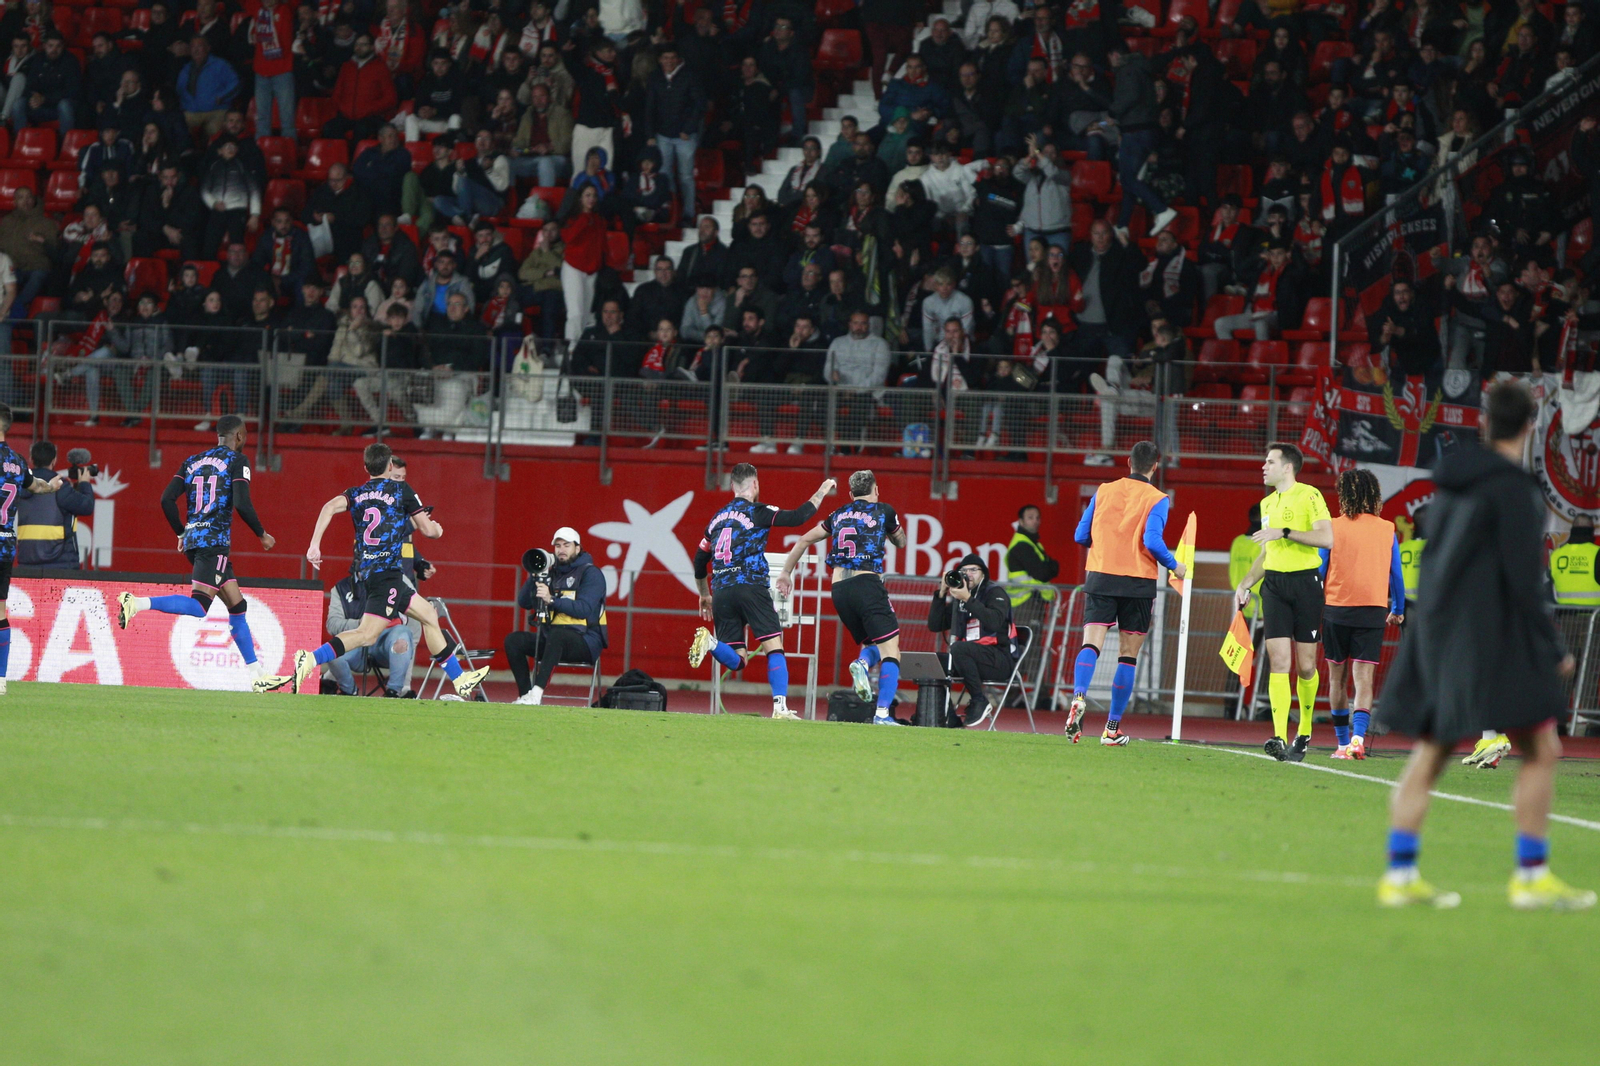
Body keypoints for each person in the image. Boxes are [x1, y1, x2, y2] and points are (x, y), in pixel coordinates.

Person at [1376, 381, 1595, 911]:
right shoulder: (1516, 492)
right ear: (1530, 427)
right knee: (1542, 749)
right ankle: (1531, 876)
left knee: (1430, 754)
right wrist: (1550, 648)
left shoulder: (1450, 484)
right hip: (1493, 638)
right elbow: (1523, 581)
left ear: (1482, 424)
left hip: (1438, 633)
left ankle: (1399, 877)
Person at [279, 443, 488, 698]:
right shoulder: (402, 490)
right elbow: (429, 531)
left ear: (366, 467)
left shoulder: (355, 493)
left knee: (429, 617)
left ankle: (460, 679)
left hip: (376, 573)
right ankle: (310, 660)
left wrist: (314, 545)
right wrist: (438, 529)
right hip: (385, 575)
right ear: (390, 466)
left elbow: (328, 507)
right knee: (366, 635)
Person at [115, 415, 278, 688]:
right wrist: (262, 534)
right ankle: (137, 603)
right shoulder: (238, 461)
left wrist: (181, 532)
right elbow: (242, 503)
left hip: (194, 541)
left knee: (237, 606)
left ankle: (257, 675)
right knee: (200, 606)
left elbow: (166, 499)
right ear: (238, 436)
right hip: (214, 544)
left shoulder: (191, 461)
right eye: (246, 434)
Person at [686, 466, 836, 720]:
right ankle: (779, 707)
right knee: (773, 647)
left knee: (738, 659)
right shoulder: (759, 511)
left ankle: (710, 643)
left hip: (721, 589)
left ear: (733, 486)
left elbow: (700, 560)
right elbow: (799, 517)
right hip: (751, 587)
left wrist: (704, 594)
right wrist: (822, 491)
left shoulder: (717, 518)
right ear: (754, 484)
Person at [1066, 442, 1185, 745]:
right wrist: (1175, 565)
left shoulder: (1104, 490)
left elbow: (1080, 534)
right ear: (1155, 467)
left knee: (1091, 644)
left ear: (1128, 462)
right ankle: (1111, 728)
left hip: (1101, 576)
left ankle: (1079, 695)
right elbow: (1153, 540)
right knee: (1127, 657)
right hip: (1137, 583)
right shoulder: (1158, 498)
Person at [775, 470, 910, 725]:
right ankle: (882, 714)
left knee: (873, 644)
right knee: (892, 652)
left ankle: (862, 663)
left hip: (839, 590)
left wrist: (785, 573)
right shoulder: (884, 510)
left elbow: (804, 539)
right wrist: (893, 533)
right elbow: (901, 542)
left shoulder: (838, 515)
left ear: (850, 495)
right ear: (876, 489)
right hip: (867, 583)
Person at [1233, 442, 1333, 762]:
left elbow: (1327, 538)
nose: (1264, 466)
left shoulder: (1310, 495)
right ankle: (1278, 736)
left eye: (1270, 461)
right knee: (1278, 661)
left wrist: (1285, 531)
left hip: (1305, 583)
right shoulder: (1266, 504)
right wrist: (1246, 583)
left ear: (1287, 467)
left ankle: (1303, 730)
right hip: (1274, 585)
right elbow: (1267, 552)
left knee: (1306, 666)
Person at [1319, 469, 1405, 761]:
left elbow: (1320, 569)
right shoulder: (1387, 528)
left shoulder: (1333, 526)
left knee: (1337, 679)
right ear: (1374, 495)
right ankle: (1358, 739)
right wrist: (1398, 609)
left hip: (1336, 607)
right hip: (1372, 609)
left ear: (1344, 494)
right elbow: (1396, 574)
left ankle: (1342, 744)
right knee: (1364, 678)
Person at [0, 403, 68, 694]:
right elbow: (36, 486)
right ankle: (1, 678)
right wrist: (52, 487)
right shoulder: (16, 461)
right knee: (0, 612)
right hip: (4, 544)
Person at [504, 526, 607, 706]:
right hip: (554, 640)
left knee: (558, 635)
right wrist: (536, 574)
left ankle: (536, 693)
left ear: (577, 548)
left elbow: (583, 609)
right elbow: (524, 603)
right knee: (514, 640)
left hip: (585, 640)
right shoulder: (551, 571)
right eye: (558, 545)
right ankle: (526, 695)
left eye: (566, 545)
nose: (561, 550)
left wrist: (551, 599)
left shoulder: (591, 573)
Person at [928, 551, 1020, 729]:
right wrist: (941, 593)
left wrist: (968, 599)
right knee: (936, 662)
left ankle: (979, 700)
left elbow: (994, 621)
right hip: (972, 658)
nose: (968, 574)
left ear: (983, 573)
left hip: (1000, 659)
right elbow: (935, 625)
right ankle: (947, 716)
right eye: (964, 571)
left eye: (973, 570)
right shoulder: (960, 598)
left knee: (958, 648)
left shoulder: (994, 593)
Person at [1107, 42, 1178, 239]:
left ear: (1114, 55)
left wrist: (1113, 111)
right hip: (1144, 129)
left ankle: (1161, 209)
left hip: (1135, 131)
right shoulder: (1141, 68)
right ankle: (1122, 225)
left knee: (1128, 178)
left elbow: (1130, 95)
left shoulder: (1127, 69)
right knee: (1131, 179)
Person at [324, 567, 423, 698]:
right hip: (357, 643)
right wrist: (361, 623)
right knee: (331, 650)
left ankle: (393, 692)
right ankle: (349, 691)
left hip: (387, 643)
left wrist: (406, 685)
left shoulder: (396, 581)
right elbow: (332, 625)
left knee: (402, 638)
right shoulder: (341, 589)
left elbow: (415, 623)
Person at [15, 441, 94, 567]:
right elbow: (87, 506)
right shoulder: (60, 486)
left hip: (27, 563)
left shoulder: (21, 485)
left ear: (31, 459)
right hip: (60, 564)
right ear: (54, 460)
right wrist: (84, 483)